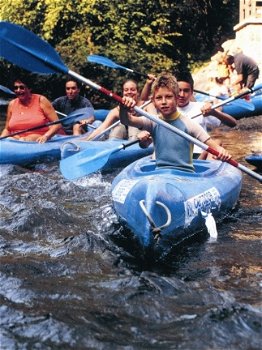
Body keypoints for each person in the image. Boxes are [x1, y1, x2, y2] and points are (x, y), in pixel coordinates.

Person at [120, 72, 231, 173]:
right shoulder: (152, 122)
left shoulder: (189, 124)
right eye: (159, 98)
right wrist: (123, 107)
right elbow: (126, 120)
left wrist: (222, 152)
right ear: (153, 101)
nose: (163, 102)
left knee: (218, 142)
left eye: (168, 97)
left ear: (176, 99)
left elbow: (214, 145)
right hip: (159, 174)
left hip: (185, 176)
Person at [175, 71, 237, 159]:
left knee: (217, 142)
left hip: (200, 157)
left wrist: (214, 113)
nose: (182, 95)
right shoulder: (166, 109)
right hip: (176, 157)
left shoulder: (200, 107)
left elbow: (233, 123)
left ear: (191, 92)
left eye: (186, 91)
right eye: (179, 90)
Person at [84, 79, 156, 141]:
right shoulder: (117, 110)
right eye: (126, 90)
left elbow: (155, 123)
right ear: (123, 93)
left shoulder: (146, 105)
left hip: (140, 138)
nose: (129, 92)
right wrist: (87, 141)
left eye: (133, 90)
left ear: (138, 92)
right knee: (118, 128)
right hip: (119, 138)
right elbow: (101, 129)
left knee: (133, 128)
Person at [0, 76, 63, 143]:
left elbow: (57, 124)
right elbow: (7, 129)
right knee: (10, 139)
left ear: (29, 88)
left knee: (24, 140)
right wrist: (1, 139)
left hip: (37, 138)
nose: (18, 90)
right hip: (16, 138)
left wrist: (46, 136)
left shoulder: (41, 100)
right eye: (16, 88)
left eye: (22, 87)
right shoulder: (12, 104)